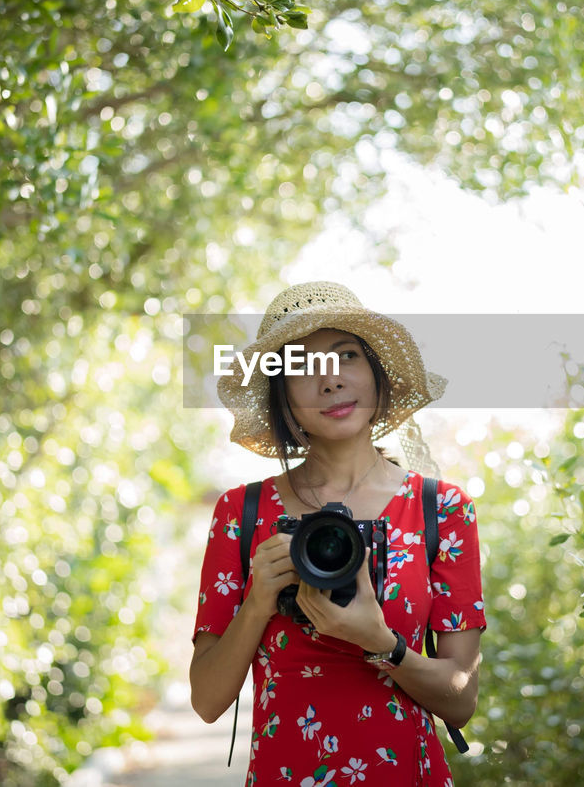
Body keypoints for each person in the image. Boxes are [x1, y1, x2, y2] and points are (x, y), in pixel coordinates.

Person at [190, 281, 486, 786]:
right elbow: (207, 701)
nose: (330, 381)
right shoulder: (242, 512)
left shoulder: (442, 510)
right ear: (281, 399)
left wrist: (379, 642)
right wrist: (259, 601)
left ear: (376, 375)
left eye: (345, 356)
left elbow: (460, 700)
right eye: (302, 368)